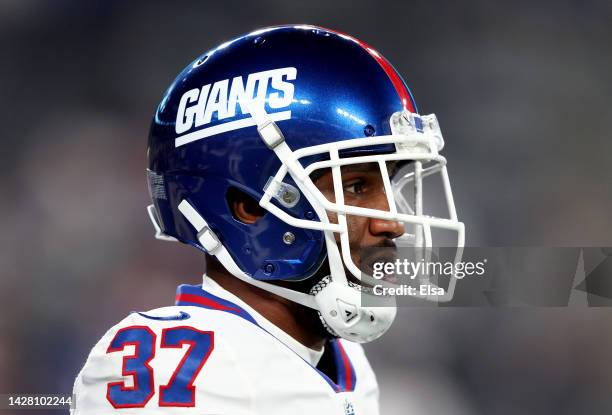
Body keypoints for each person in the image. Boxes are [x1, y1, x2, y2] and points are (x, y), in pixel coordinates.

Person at [71, 24, 464, 414]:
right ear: (250, 207)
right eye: (357, 187)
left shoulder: (348, 365)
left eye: (388, 185)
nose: (392, 221)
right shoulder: (179, 367)